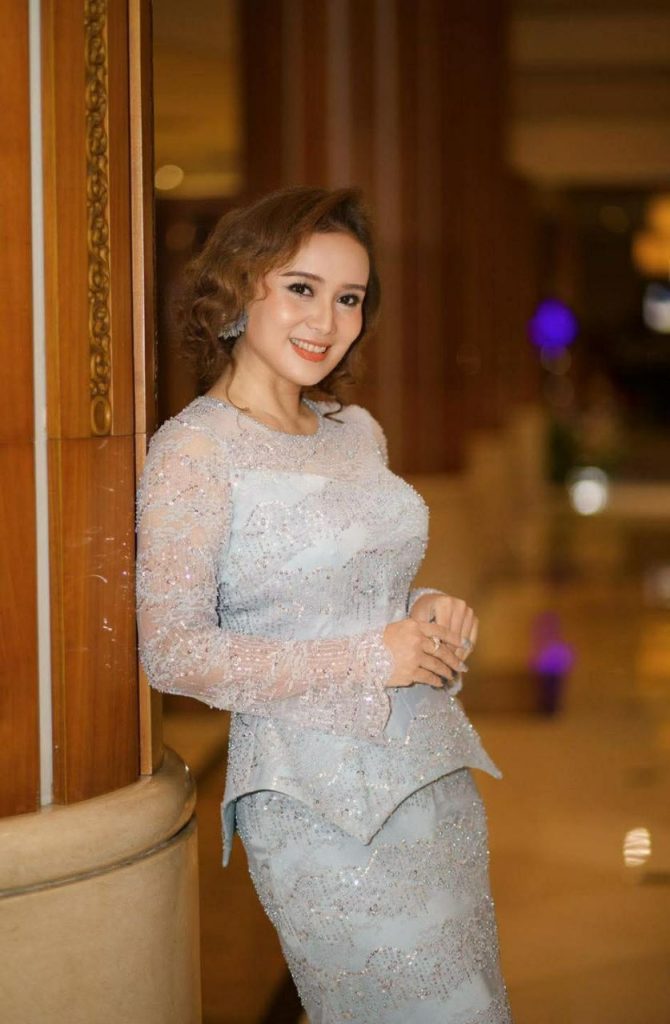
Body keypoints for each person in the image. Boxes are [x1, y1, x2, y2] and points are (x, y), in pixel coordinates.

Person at [135, 185, 513, 1022]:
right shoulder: (193, 451)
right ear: (240, 288)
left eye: (349, 298)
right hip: (314, 799)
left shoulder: (354, 429)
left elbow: (362, 586)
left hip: (429, 774)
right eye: (302, 288)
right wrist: (372, 657)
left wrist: (427, 607)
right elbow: (173, 651)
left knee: (473, 1000)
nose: (328, 320)